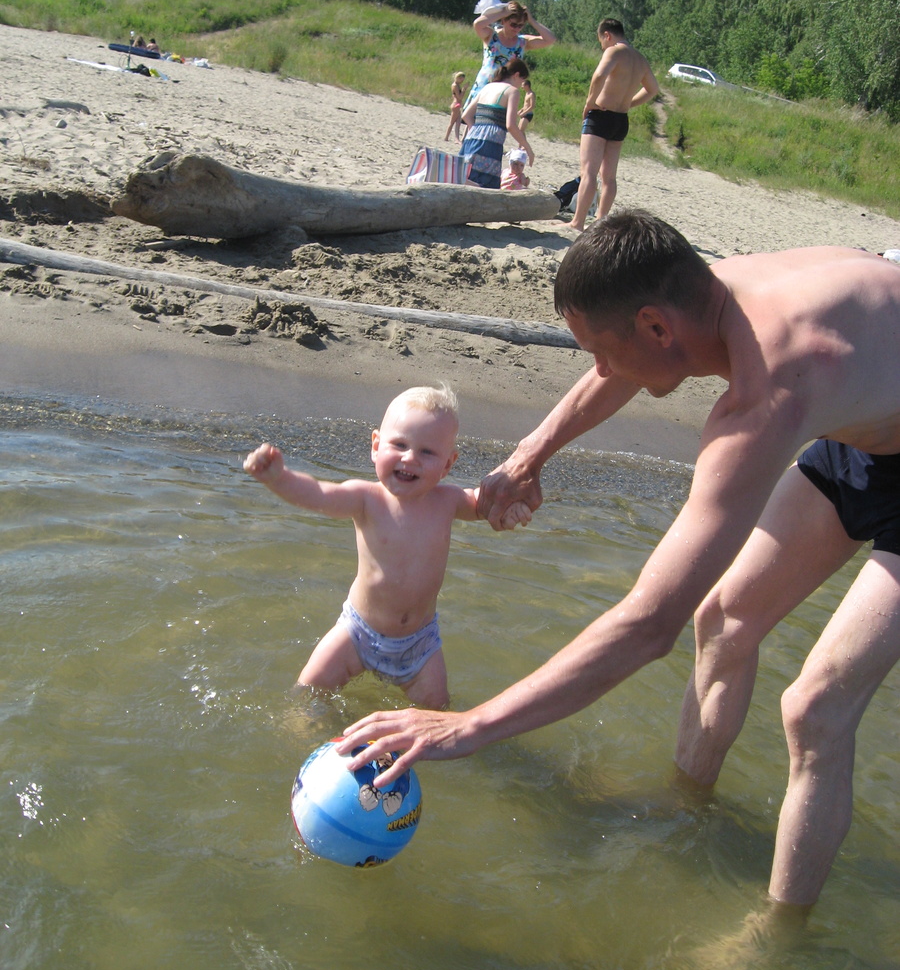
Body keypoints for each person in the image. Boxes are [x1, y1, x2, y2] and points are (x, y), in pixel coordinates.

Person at [340, 210, 900, 921]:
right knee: (724, 620)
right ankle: (688, 810)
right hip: (871, 431)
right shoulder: (708, 284)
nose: (598, 370)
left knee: (816, 707)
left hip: (860, 405)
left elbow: (647, 624)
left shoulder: (769, 395)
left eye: (598, 351)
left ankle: (775, 942)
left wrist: (468, 725)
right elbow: (621, 367)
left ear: (657, 329)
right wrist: (528, 457)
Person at [244, 384, 530, 707]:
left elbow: (489, 505)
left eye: (427, 452)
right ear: (376, 446)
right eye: (399, 444)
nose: (410, 458)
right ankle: (307, 745)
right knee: (308, 692)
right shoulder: (365, 499)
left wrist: (511, 511)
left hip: (421, 645)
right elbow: (319, 496)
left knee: (437, 709)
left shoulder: (449, 501)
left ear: (448, 465)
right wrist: (279, 479)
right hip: (358, 633)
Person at [562, 19, 658, 234]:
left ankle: (577, 222)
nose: (602, 47)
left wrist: (590, 102)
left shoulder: (614, 52)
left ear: (607, 35)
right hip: (620, 119)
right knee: (609, 177)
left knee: (589, 172)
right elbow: (653, 89)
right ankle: (600, 222)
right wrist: (629, 103)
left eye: (601, 42)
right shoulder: (640, 59)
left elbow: (599, 75)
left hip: (601, 116)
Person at [464, 0, 556, 121]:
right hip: (485, 86)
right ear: (504, 21)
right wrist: (503, 12)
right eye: (513, 24)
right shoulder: (491, 35)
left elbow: (550, 39)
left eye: (520, 25)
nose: (516, 29)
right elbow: (478, 24)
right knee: (473, 125)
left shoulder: (522, 42)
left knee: (493, 128)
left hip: (504, 92)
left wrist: (532, 21)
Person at [459, 59, 534, 190]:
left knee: (465, 178)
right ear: (516, 75)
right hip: (491, 141)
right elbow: (510, 125)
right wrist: (527, 147)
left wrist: (476, 131)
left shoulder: (487, 87)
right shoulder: (512, 91)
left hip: (472, 137)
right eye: (522, 80)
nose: (521, 85)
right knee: (485, 187)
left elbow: (466, 115)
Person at [444, 72, 466, 142]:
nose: (462, 81)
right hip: (456, 104)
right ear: (458, 78)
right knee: (452, 122)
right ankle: (446, 137)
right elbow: (459, 97)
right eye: (461, 79)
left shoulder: (457, 85)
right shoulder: (455, 85)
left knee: (458, 123)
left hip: (457, 105)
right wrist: (464, 90)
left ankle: (457, 139)